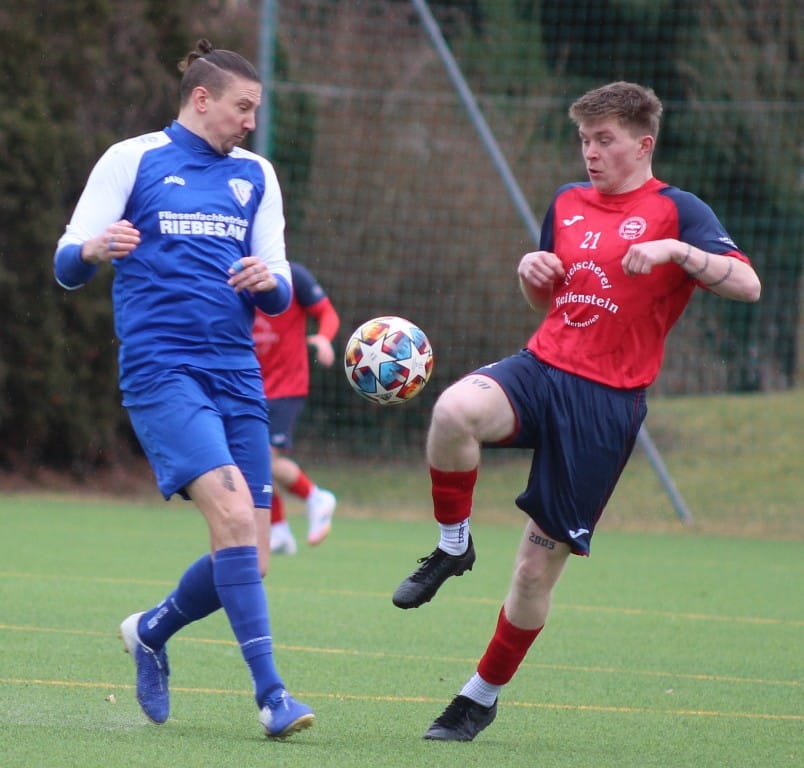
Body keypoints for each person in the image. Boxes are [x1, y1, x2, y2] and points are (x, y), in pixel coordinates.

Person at [392, 81, 761, 742]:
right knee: (452, 412)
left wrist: (679, 252)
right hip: (541, 369)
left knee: (533, 573)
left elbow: (748, 284)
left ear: (642, 145)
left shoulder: (679, 210)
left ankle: (479, 697)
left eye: (604, 140)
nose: (590, 153)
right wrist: (532, 275)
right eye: (585, 140)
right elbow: (550, 300)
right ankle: (453, 546)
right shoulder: (566, 202)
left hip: (604, 406)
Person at [53, 39, 315, 740]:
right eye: (243, 107)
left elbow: (280, 283)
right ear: (202, 99)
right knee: (230, 514)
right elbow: (65, 263)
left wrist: (267, 282)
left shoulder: (256, 174)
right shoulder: (131, 159)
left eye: (255, 110)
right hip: (162, 370)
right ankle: (273, 698)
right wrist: (94, 249)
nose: (251, 122)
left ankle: (151, 631)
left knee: (252, 555)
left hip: (237, 374)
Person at [253, 260, 340, 555]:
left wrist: (324, 338)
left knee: (266, 458)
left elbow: (327, 313)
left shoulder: (293, 276)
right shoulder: (236, 275)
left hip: (287, 386)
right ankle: (278, 530)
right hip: (250, 386)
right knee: (251, 459)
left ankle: (316, 497)